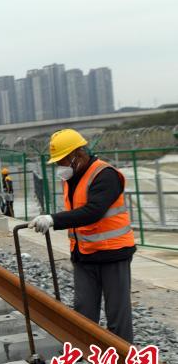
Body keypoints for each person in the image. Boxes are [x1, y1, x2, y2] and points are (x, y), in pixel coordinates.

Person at [29, 129, 135, 342]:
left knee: (117, 315)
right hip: (84, 255)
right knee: (83, 312)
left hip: (113, 254)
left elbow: (93, 211)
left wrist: (53, 219)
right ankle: (87, 357)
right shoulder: (72, 177)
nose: (61, 166)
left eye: (63, 160)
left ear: (78, 154)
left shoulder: (105, 175)